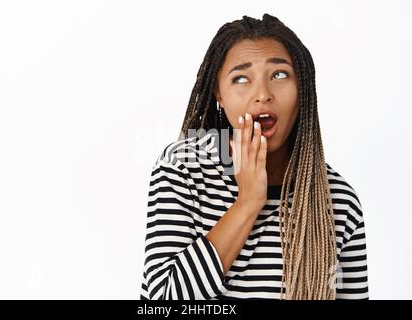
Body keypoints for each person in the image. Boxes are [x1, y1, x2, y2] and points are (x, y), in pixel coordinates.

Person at [140, 13, 368, 300]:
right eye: (240, 78)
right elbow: (161, 300)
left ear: (304, 89)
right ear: (219, 95)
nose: (262, 94)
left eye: (280, 75)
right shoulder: (183, 167)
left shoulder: (338, 200)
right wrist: (248, 202)